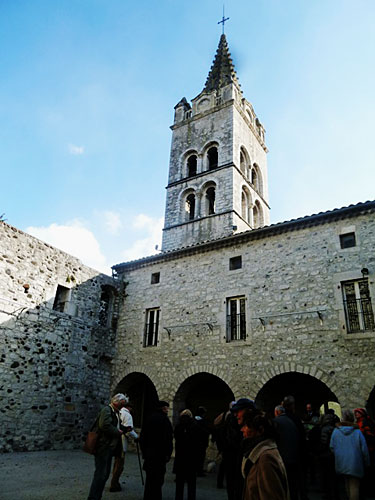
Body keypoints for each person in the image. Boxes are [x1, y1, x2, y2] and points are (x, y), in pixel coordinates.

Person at [87, 393, 129, 500]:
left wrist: (124, 428)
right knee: (101, 474)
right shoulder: (107, 410)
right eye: (122, 404)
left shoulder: (115, 412)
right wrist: (118, 432)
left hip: (108, 447)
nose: (123, 406)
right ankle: (93, 497)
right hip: (103, 447)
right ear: (117, 402)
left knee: (104, 474)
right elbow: (104, 425)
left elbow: (115, 425)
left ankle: (96, 496)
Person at [241, 409, 290, 500]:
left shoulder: (265, 458)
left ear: (260, 430)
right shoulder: (260, 452)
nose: (242, 429)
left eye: (246, 426)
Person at [330, 409, 370, 500]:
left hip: (342, 463)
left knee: (347, 484)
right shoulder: (357, 432)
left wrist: (340, 454)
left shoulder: (336, 431)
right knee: (354, 486)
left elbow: (332, 446)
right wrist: (367, 462)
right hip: (355, 463)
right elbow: (364, 449)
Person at [140, 400, 173, 500]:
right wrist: (168, 453)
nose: (167, 410)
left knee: (150, 479)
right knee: (158, 480)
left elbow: (143, 437)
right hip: (160, 455)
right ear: (163, 408)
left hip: (150, 454)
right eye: (167, 408)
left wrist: (144, 452)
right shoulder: (165, 420)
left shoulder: (149, 418)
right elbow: (168, 439)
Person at [110, 400, 139, 492]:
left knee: (116, 463)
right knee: (119, 464)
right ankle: (114, 484)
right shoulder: (127, 415)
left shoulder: (117, 412)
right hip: (122, 442)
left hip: (114, 440)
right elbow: (129, 430)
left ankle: (114, 482)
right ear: (129, 407)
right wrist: (136, 437)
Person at [273, 405, 299, 500]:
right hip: (292, 456)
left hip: (282, 457)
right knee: (292, 483)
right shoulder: (291, 421)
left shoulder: (276, 422)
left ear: (277, 412)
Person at [174, 409, 200, 500]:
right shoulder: (195, 426)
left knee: (179, 482)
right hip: (191, 457)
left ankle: (178, 497)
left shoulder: (178, 426)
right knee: (191, 482)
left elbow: (176, 439)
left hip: (180, 456)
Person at [194, 406, 210, 476]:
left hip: (195, 442)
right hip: (201, 442)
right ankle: (199, 471)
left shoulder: (193, 421)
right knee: (200, 457)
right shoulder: (202, 422)